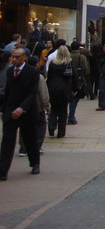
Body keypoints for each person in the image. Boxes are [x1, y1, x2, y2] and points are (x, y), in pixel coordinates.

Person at [0, 47, 41, 180]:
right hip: (11, 111)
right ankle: (3, 171)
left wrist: (21, 108)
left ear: (24, 58)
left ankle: (35, 163)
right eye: (13, 56)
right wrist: (4, 109)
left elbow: (32, 93)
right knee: (7, 141)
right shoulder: (10, 71)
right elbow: (8, 91)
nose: (14, 59)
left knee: (29, 140)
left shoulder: (32, 72)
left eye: (17, 57)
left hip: (26, 112)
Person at [46, 45, 77, 138]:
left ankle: (51, 126)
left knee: (54, 108)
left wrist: (48, 88)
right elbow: (74, 77)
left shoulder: (52, 63)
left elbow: (49, 76)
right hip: (64, 88)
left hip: (53, 88)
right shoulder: (68, 63)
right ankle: (61, 132)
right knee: (63, 111)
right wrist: (75, 89)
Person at [67, 41, 89, 125]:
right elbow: (85, 69)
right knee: (74, 100)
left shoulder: (67, 56)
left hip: (68, 79)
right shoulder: (81, 57)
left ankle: (67, 116)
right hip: (78, 79)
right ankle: (71, 117)